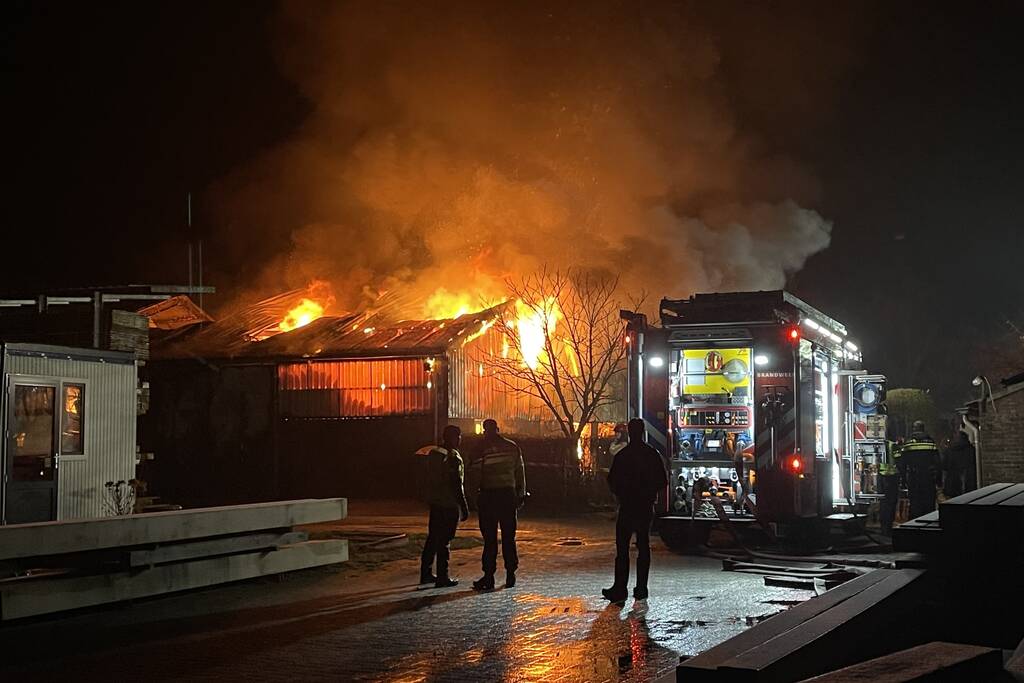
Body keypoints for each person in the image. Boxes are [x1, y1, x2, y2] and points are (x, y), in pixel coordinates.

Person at [603, 418, 669, 602]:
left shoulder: (623, 456)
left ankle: (619, 589)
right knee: (643, 546)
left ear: (630, 433)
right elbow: (662, 481)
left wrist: (621, 494)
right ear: (643, 432)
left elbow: (612, 481)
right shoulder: (652, 454)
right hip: (645, 507)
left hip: (627, 506)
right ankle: (641, 589)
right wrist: (649, 493)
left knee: (622, 548)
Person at [472, 419, 526, 590]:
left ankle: (489, 576)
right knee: (509, 537)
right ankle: (511, 574)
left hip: (489, 497)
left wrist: (473, 496)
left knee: (489, 539)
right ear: (498, 429)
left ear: (484, 431)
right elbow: (520, 472)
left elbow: (474, 473)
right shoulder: (512, 447)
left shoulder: (479, 448)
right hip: (508, 497)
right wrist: (521, 494)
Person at [420, 425, 470, 588]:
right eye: (459, 436)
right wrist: (463, 505)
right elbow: (455, 483)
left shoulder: (434, 453)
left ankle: (425, 574)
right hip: (449, 504)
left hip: (435, 502)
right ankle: (443, 576)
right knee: (445, 540)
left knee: (433, 537)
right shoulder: (452, 456)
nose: (460, 439)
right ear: (454, 437)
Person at [895, 420, 942, 519]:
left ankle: (915, 526)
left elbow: (902, 464)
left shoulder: (908, 443)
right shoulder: (931, 442)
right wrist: (938, 480)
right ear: (923, 429)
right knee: (929, 503)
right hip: (928, 477)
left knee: (915, 503)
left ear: (914, 429)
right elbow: (938, 463)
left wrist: (903, 480)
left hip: (914, 477)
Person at [942, 430, 976, 498]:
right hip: (969, 483)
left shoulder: (949, 451)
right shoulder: (971, 450)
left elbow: (944, 466)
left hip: (952, 484)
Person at [878, 438, 900, 535]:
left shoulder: (877, 444)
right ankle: (888, 528)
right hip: (892, 477)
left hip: (880, 477)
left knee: (883, 504)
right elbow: (899, 461)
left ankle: (883, 528)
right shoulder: (893, 445)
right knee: (891, 503)